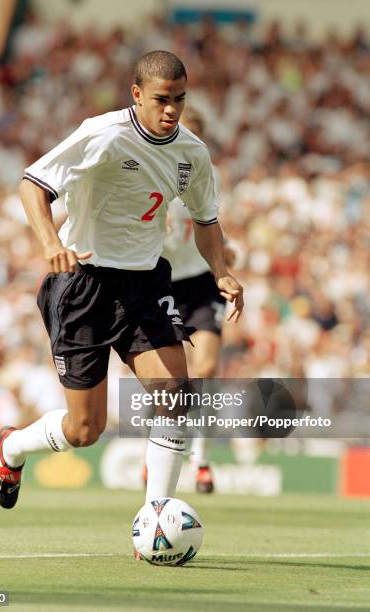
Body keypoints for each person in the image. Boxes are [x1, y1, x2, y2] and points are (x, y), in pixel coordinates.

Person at [0, 50, 244, 513]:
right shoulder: (102, 134)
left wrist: (222, 272)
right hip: (83, 285)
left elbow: (206, 221)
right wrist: (51, 243)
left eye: (180, 100)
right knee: (85, 430)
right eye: (162, 99)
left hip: (145, 283)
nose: (171, 110)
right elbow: (32, 184)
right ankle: (12, 448)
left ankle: (156, 515)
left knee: (175, 397)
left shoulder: (192, 152)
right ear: (137, 94)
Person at [162, 106, 236, 493]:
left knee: (205, 367)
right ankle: (158, 452)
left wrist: (226, 259)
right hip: (161, 284)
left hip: (200, 283)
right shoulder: (150, 170)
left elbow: (214, 224)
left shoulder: (208, 175)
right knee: (168, 378)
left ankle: (202, 459)